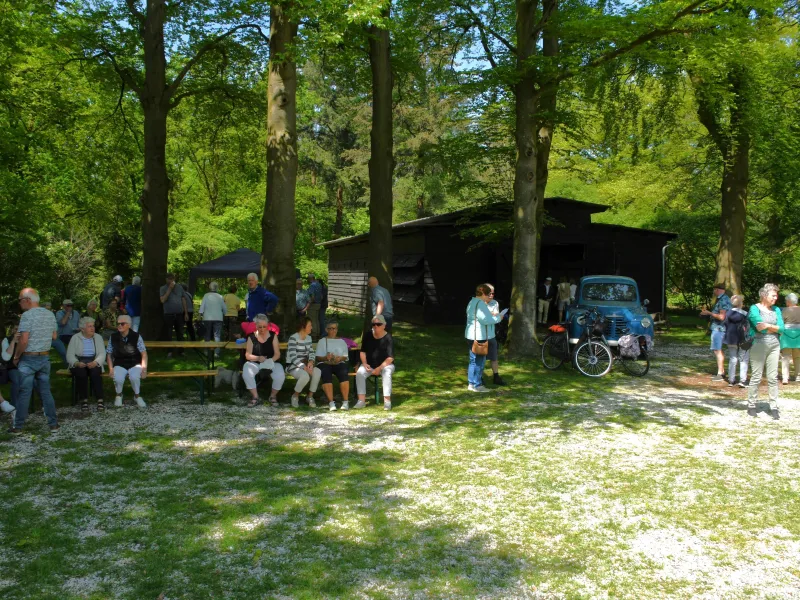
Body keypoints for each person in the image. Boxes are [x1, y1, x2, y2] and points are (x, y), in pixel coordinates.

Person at [8, 288, 59, 434]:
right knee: (46, 392)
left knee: (24, 392)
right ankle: (53, 425)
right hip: (44, 357)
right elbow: (54, 336)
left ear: (28, 300)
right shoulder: (50, 314)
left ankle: (18, 427)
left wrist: (17, 357)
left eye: (20, 300)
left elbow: (23, 341)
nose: (19, 303)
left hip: (28, 358)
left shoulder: (27, 316)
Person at [746, 283, 784, 419]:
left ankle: (773, 406)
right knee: (756, 376)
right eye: (773, 295)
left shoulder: (776, 309)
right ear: (764, 295)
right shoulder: (754, 308)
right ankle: (751, 405)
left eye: (776, 295)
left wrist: (768, 325)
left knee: (773, 377)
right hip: (759, 344)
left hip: (775, 345)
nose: (775, 298)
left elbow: (782, 328)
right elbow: (758, 326)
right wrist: (773, 327)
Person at [466, 283, 504, 393]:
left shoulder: (472, 301)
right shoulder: (480, 304)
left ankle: (471, 384)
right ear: (482, 293)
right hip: (479, 336)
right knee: (479, 361)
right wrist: (499, 318)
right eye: (488, 293)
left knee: (473, 361)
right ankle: (478, 385)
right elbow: (486, 320)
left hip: (471, 335)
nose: (489, 296)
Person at [242, 313, 285, 407]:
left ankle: (273, 396)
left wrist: (270, 361)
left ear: (268, 326)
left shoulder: (273, 336)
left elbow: (277, 354)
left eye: (264, 327)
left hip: (271, 362)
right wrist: (258, 358)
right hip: (255, 363)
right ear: (256, 325)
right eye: (260, 327)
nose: (262, 329)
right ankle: (255, 396)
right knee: (246, 371)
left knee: (280, 375)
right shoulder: (251, 337)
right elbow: (247, 355)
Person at [106, 315, 148, 408]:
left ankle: (137, 396)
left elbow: (144, 354)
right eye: (118, 324)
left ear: (129, 325)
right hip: (119, 362)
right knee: (118, 378)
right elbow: (109, 354)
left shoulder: (136, 336)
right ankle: (119, 394)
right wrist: (111, 369)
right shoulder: (113, 336)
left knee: (134, 377)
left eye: (122, 323)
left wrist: (144, 369)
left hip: (134, 362)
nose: (119, 325)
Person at [67, 316, 106, 413]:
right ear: (82, 329)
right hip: (79, 361)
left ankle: (100, 400)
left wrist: (96, 362)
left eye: (93, 326)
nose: (93, 328)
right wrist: (76, 363)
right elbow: (70, 354)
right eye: (89, 326)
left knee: (95, 372)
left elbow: (102, 353)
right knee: (81, 373)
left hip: (93, 360)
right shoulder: (75, 338)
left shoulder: (98, 337)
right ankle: (84, 400)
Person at [356, 314, 395, 410]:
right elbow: (362, 352)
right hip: (369, 365)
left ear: (384, 325)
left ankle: (387, 401)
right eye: (373, 324)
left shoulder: (388, 338)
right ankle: (361, 401)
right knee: (360, 373)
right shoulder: (368, 335)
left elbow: (390, 358)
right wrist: (364, 363)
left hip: (385, 365)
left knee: (387, 372)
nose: (375, 326)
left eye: (378, 324)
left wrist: (379, 368)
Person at [315, 320, 350, 411]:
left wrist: (339, 358)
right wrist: (325, 358)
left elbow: (345, 357)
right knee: (325, 372)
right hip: (325, 363)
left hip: (338, 363)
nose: (334, 330)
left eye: (335, 328)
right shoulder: (322, 341)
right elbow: (318, 357)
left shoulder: (342, 341)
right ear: (327, 330)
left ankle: (345, 402)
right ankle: (331, 402)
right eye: (331, 328)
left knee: (343, 372)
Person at [286, 317, 321, 408]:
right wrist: (304, 368)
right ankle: (295, 396)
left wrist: (311, 362)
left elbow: (311, 352)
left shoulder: (309, 338)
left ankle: (310, 396)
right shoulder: (293, 338)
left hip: (305, 364)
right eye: (309, 325)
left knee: (317, 371)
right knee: (305, 376)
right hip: (293, 365)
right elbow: (293, 357)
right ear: (303, 326)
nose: (311, 327)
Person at [700, 283, 731, 381]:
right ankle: (722, 372)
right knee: (718, 350)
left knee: (717, 350)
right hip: (719, 328)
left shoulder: (723, 300)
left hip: (719, 329)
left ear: (717, 290)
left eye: (714, 290)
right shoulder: (724, 299)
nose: (714, 292)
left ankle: (720, 374)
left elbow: (722, 317)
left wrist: (708, 313)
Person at [723, 294, 750, 388]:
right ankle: (743, 380)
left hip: (731, 338)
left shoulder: (727, 313)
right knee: (743, 359)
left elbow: (725, 324)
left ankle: (731, 380)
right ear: (741, 303)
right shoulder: (745, 314)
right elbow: (747, 327)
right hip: (742, 338)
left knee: (732, 359)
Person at [160, 273, 188, 352]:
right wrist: (169, 289)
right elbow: (162, 300)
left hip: (179, 314)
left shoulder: (179, 287)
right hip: (168, 314)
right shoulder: (163, 288)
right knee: (169, 333)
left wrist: (185, 313)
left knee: (180, 332)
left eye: (172, 278)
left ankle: (181, 351)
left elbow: (183, 299)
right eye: (169, 278)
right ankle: (170, 351)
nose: (171, 280)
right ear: (166, 279)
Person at [485, 284, 506, 386]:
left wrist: (496, 316)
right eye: (489, 293)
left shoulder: (495, 303)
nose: (491, 295)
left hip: (492, 334)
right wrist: (493, 316)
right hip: (481, 335)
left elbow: (496, 315)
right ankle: (478, 377)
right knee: (480, 358)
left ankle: (496, 376)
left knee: (494, 357)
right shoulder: (479, 303)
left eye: (493, 293)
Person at [200, 281, 226, 356]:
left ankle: (206, 350)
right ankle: (216, 352)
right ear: (217, 288)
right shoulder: (220, 296)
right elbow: (224, 308)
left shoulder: (206, 295)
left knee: (207, 334)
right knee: (217, 335)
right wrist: (224, 313)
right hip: (218, 317)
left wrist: (201, 313)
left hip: (207, 317)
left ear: (209, 287)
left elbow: (202, 306)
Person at [780, 292, 800, 384]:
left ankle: (785, 377)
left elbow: (781, 323)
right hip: (798, 335)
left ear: (788, 301)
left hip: (786, 335)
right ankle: (798, 376)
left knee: (785, 357)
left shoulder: (784, 310)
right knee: (797, 357)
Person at [307, 273, 323, 338]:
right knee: (316, 319)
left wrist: (309, 304)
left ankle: (313, 334)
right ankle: (318, 333)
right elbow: (321, 296)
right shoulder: (319, 284)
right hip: (318, 304)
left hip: (313, 304)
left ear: (310, 279)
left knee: (312, 320)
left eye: (308, 279)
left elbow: (312, 296)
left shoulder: (312, 285)